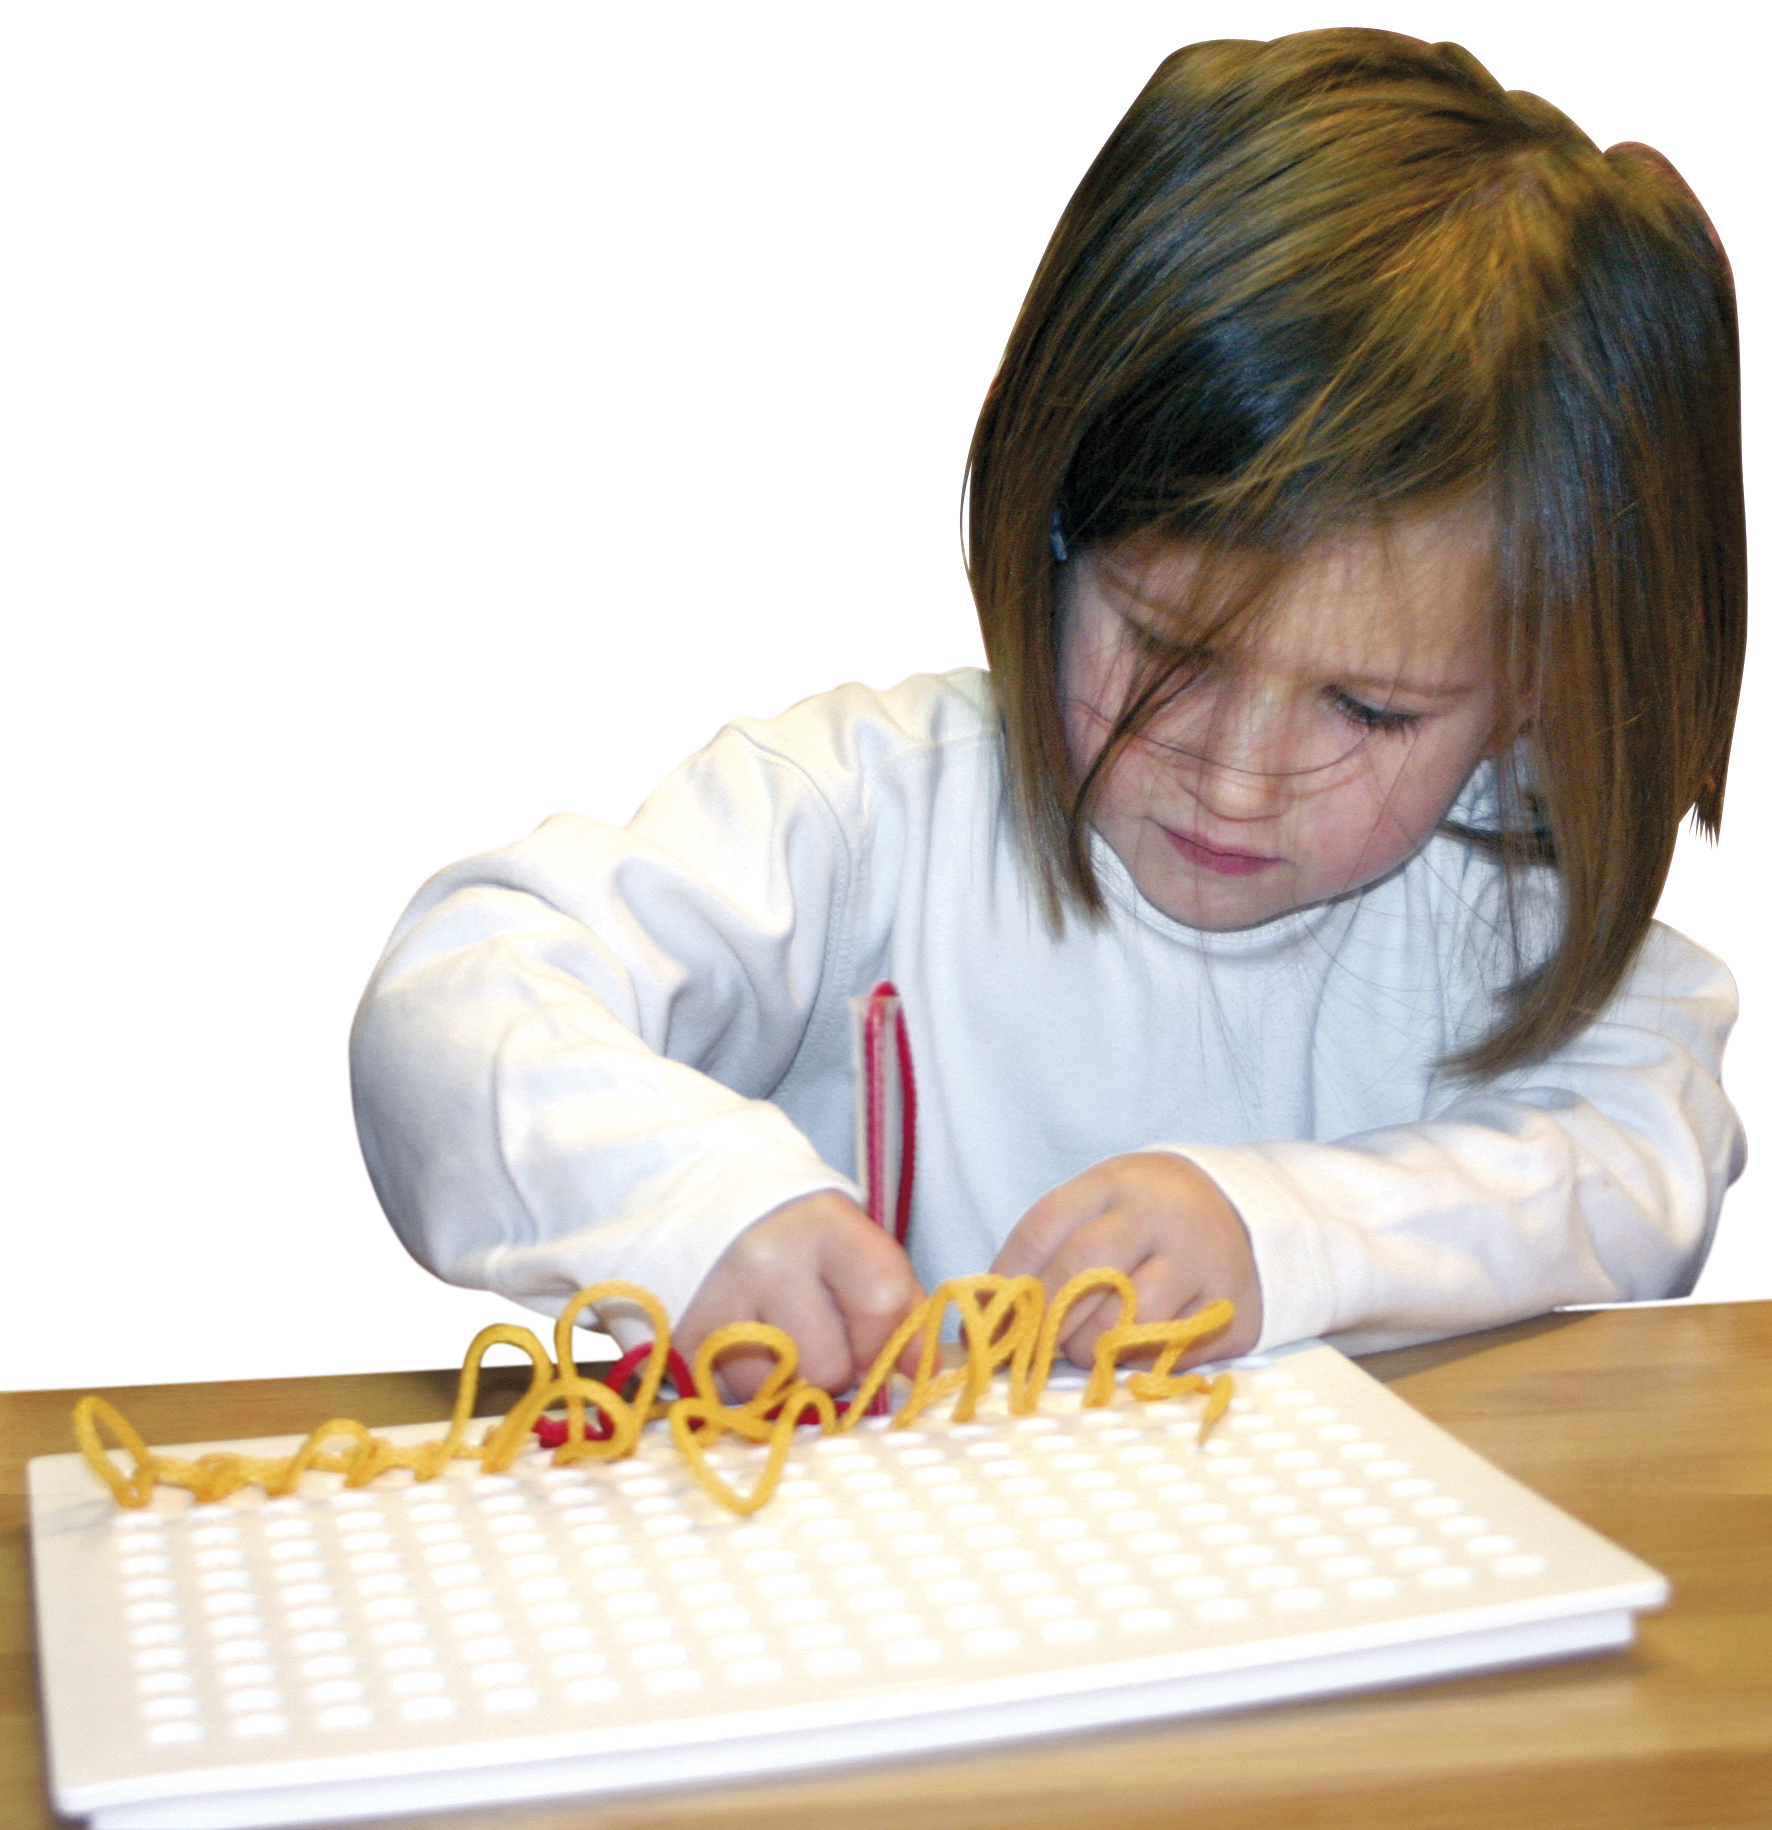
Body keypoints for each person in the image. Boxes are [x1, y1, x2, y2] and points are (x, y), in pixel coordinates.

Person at [350, 29, 1745, 1398]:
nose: (1241, 780)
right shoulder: (875, 813)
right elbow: (455, 998)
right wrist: (689, 1204)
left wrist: (1289, 1234)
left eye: (1371, 709)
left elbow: (1648, 1148)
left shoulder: (1494, 900)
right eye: (1170, 647)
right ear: (1057, 524)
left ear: (1530, 690)